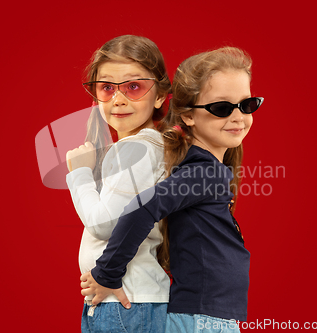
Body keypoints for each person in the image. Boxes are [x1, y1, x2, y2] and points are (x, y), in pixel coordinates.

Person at [80, 46, 264, 333]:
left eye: (247, 104)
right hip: (202, 320)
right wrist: (107, 273)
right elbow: (141, 210)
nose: (238, 116)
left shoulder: (202, 169)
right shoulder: (204, 172)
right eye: (222, 108)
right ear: (188, 116)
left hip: (206, 317)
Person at [65, 35, 171, 333]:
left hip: (124, 304)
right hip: (129, 302)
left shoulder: (136, 149)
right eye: (107, 88)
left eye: (134, 87)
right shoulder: (146, 147)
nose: (119, 99)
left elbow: (104, 224)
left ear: (161, 95)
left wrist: (80, 174)